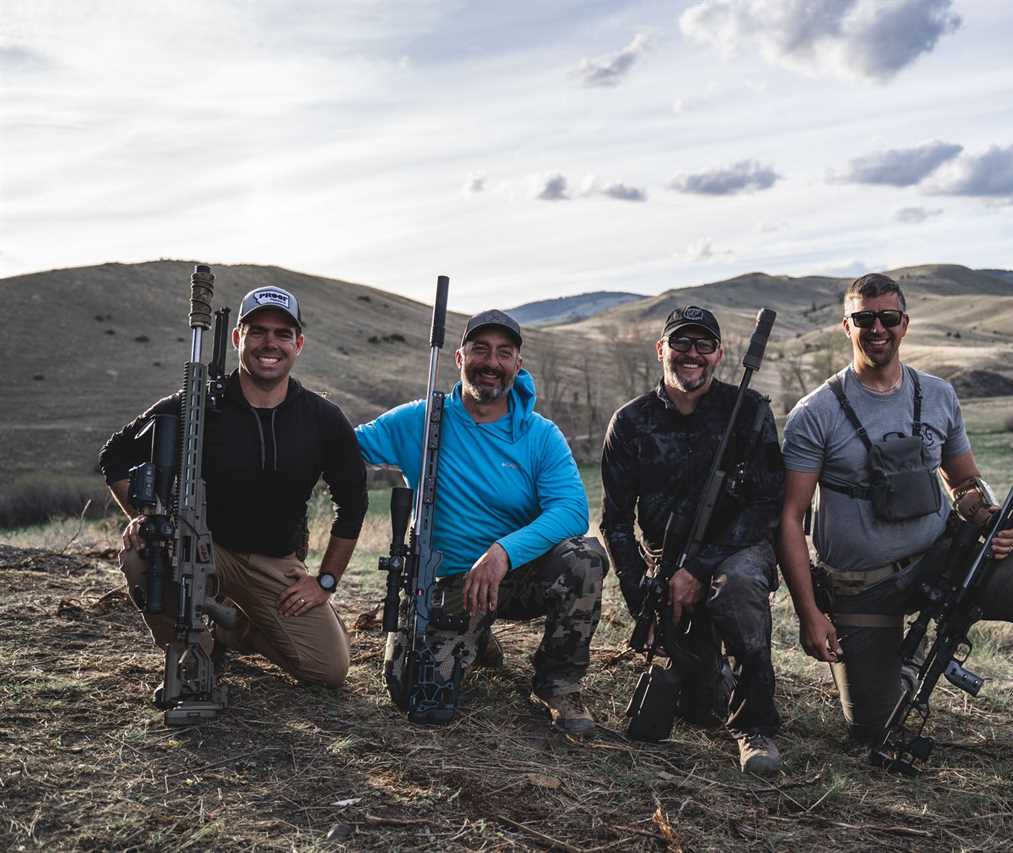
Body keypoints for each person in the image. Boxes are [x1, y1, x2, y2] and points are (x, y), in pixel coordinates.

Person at [777, 273, 1013, 819]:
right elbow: (790, 517)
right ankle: (907, 661)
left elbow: (964, 484)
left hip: (945, 563)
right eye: (864, 319)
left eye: (888, 318)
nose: (877, 329)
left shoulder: (937, 395)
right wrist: (808, 612)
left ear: (904, 325)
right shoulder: (814, 412)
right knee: (872, 730)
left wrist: (989, 517)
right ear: (846, 326)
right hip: (861, 586)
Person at [99, 285, 368, 688]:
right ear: (238, 338)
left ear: (299, 344)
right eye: (257, 331)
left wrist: (325, 581)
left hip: (275, 561)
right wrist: (144, 516)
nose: (269, 343)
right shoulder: (196, 403)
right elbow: (114, 457)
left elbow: (353, 504)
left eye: (282, 334)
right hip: (199, 546)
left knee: (327, 670)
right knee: (146, 548)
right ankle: (194, 650)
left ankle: (234, 629)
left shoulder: (323, 418)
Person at [355, 309, 604, 734]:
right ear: (459, 357)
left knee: (585, 557)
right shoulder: (421, 419)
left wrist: (504, 552)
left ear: (517, 365)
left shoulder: (541, 435)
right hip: (446, 581)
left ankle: (558, 683)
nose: (491, 362)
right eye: (480, 350)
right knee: (410, 691)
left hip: (516, 576)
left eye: (504, 353)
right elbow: (346, 447)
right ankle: (474, 635)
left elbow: (572, 512)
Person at [600, 306, 785, 775]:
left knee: (739, 582)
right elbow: (616, 521)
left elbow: (766, 503)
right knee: (697, 707)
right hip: (664, 561)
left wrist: (698, 570)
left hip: (737, 551)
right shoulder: (630, 422)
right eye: (681, 343)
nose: (692, 354)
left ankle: (755, 724)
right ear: (662, 350)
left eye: (704, 345)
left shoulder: (750, 412)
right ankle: (708, 673)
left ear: (719, 354)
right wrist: (643, 593)